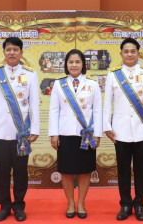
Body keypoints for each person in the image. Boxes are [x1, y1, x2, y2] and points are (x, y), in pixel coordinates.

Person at [0, 37, 40, 222]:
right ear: (4, 52)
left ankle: (19, 205)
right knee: (1, 171)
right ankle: (4, 205)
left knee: (21, 171)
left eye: (16, 49)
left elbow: (34, 105)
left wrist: (35, 129)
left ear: (22, 53)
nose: (12, 53)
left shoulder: (30, 74)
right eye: (8, 49)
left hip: (21, 133)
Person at [103, 37, 143, 221]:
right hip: (120, 131)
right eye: (126, 51)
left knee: (142, 169)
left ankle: (140, 203)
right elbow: (107, 103)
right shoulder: (114, 74)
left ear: (138, 53)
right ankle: (125, 204)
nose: (129, 54)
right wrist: (107, 126)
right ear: (121, 54)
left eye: (133, 51)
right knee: (123, 170)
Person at [49, 49, 102, 219]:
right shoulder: (59, 84)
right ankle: (70, 203)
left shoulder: (93, 84)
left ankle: (81, 203)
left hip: (86, 134)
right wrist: (54, 134)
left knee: (85, 170)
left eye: (77, 62)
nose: (74, 65)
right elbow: (53, 111)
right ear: (66, 65)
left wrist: (98, 133)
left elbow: (98, 111)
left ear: (83, 64)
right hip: (65, 133)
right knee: (66, 170)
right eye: (71, 62)